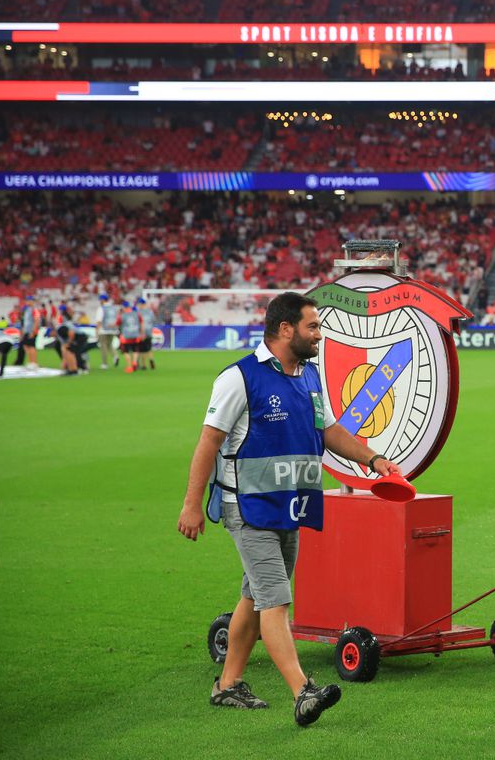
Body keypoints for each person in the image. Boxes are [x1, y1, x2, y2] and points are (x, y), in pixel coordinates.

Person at [176, 292, 403, 727]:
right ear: (285, 329)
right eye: (312, 327)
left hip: (290, 505)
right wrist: (191, 505)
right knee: (276, 600)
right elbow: (208, 441)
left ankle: (228, 685)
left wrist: (372, 459)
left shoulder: (311, 377)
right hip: (248, 507)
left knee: (254, 596)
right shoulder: (239, 378)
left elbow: (331, 430)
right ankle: (303, 691)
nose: (319, 334)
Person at [96, 293, 120, 370]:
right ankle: (115, 356)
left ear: (103, 300)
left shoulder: (101, 308)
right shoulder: (113, 308)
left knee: (103, 346)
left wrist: (97, 330)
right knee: (109, 344)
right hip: (112, 329)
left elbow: (99, 320)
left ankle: (104, 363)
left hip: (103, 329)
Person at [119, 300, 142, 373]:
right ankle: (135, 362)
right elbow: (141, 322)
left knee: (125, 351)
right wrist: (141, 332)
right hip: (135, 335)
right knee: (135, 350)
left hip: (126, 336)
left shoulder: (122, 315)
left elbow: (118, 323)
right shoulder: (136, 314)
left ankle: (129, 367)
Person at [137, 296, 157, 370]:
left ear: (141, 304)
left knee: (141, 349)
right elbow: (153, 320)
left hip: (141, 332)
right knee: (149, 348)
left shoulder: (138, 312)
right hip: (149, 331)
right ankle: (151, 359)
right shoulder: (150, 311)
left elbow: (137, 323)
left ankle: (143, 365)